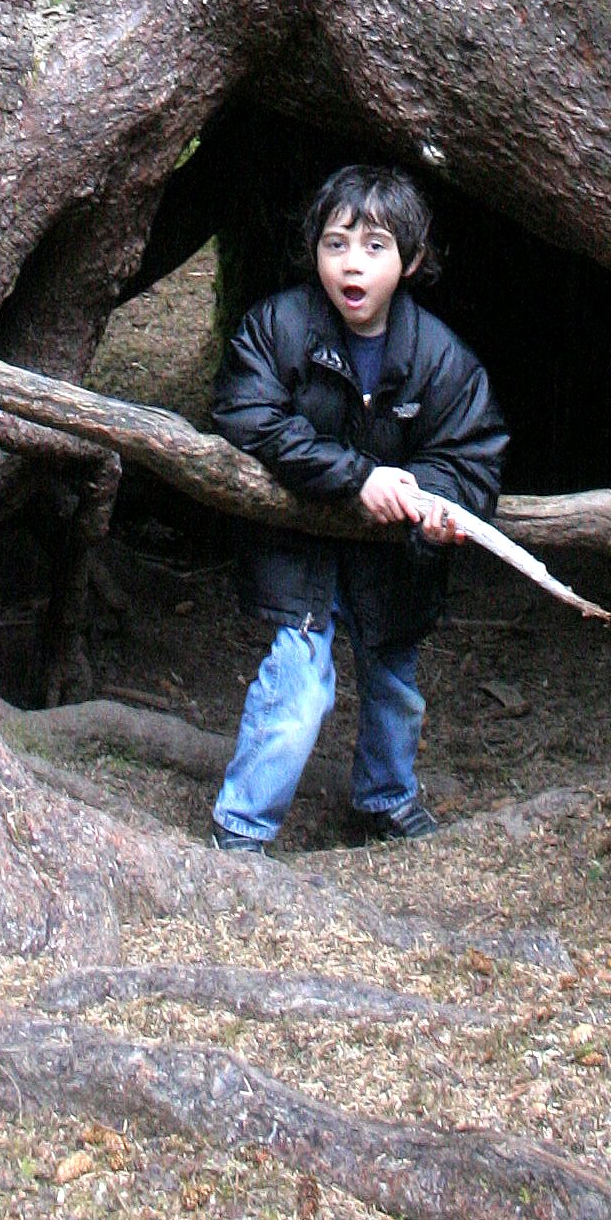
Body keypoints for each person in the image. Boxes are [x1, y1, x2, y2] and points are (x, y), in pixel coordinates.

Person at [208, 163, 507, 851]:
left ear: (412, 260)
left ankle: (386, 798)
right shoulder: (276, 328)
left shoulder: (438, 355)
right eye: (336, 242)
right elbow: (247, 414)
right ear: (313, 249)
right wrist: (355, 477)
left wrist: (432, 500)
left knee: (394, 683)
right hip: (300, 544)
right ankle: (241, 828)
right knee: (297, 687)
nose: (352, 263)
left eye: (376, 246)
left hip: (393, 558)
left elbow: (474, 449)